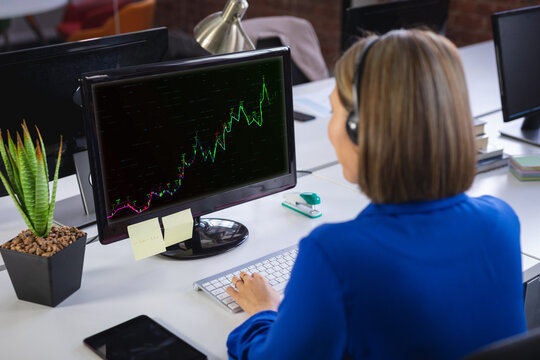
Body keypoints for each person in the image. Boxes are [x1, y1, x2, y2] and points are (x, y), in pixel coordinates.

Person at [225, 29, 526, 360]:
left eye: (334, 111)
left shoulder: (335, 254)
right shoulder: (501, 221)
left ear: (359, 129)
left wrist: (264, 311)